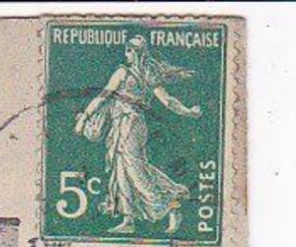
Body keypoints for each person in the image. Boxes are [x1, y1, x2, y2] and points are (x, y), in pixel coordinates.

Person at [75, 35, 202, 236]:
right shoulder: (142, 73)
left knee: (135, 170)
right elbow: (166, 100)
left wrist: (84, 118)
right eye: (126, 50)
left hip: (130, 125)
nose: (126, 54)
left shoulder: (125, 73)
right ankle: (128, 219)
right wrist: (187, 111)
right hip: (123, 125)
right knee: (122, 170)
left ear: (137, 52)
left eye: (129, 50)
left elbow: (104, 97)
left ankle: (171, 204)